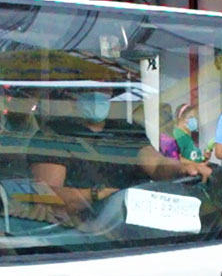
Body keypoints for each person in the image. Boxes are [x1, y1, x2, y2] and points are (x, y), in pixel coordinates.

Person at [28, 86, 211, 216]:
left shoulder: (126, 131)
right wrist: (99, 195)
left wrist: (182, 169)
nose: (96, 93)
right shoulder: (53, 134)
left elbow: (156, 165)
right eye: (88, 87)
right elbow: (48, 197)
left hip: (131, 229)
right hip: (78, 235)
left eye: (103, 86)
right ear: (74, 92)